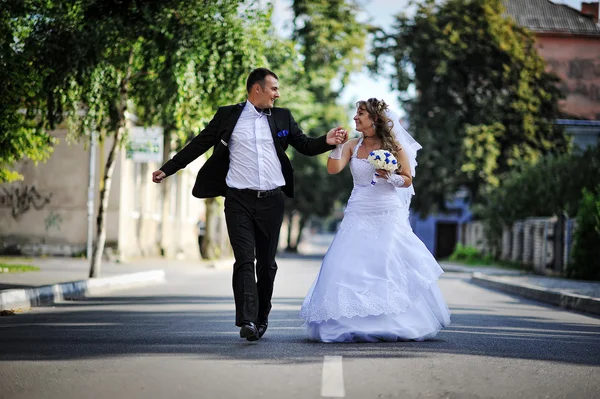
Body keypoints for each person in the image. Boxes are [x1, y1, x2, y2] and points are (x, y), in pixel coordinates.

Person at [152, 68, 347, 342]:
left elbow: (304, 145)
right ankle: (248, 320)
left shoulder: (282, 116)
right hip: (238, 199)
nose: (277, 94)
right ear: (257, 89)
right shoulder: (227, 115)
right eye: (273, 89)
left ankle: (262, 317)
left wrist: (326, 142)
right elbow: (199, 144)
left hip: (272, 200)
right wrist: (167, 169)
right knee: (244, 259)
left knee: (266, 265)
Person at [299, 98, 451, 342]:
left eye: (360, 114)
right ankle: (346, 321)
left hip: (387, 212)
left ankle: (394, 322)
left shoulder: (394, 146)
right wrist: (337, 146)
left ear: (374, 118)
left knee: (387, 265)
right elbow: (333, 169)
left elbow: (407, 179)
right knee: (345, 264)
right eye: (356, 113)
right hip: (358, 210)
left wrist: (390, 177)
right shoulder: (351, 145)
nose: (355, 118)